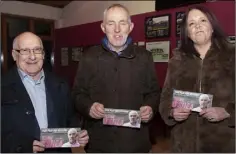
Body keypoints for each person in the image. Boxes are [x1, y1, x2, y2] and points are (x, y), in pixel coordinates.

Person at [72, 4, 160, 153]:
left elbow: (154, 93)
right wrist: (88, 107)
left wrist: (150, 108)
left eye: (122, 23)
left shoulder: (145, 57)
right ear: (103, 27)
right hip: (99, 144)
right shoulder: (89, 58)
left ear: (130, 27)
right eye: (111, 23)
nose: (117, 29)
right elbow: (77, 94)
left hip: (135, 143)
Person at [159, 5, 235, 153]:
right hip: (183, 145)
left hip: (223, 144)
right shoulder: (176, 61)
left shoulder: (232, 56)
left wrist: (228, 112)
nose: (198, 26)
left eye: (203, 20)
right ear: (187, 32)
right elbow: (165, 100)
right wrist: (172, 112)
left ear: (212, 27)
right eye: (191, 23)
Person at [1, 32, 89, 153]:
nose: (32, 57)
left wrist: (78, 135)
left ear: (43, 54)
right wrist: (22, 146)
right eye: (25, 51)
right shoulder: (3, 87)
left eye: (37, 50)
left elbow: (70, 119)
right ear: (14, 55)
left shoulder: (61, 85)